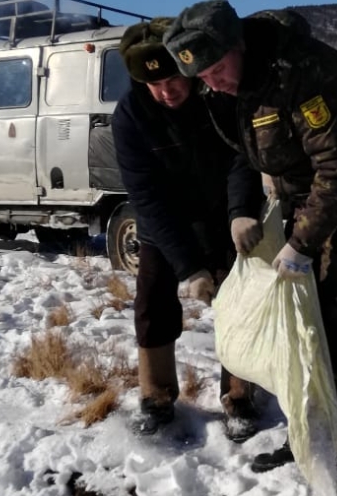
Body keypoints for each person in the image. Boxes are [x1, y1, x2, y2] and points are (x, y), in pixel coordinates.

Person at [163, 2, 337, 495]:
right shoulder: (234, 84)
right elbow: (252, 152)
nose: (215, 83)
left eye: (218, 69)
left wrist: (302, 242)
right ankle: (312, 437)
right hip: (307, 194)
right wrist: (254, 209)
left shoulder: (303, 71)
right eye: (204, 76)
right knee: (301, 323)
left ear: (239, 46)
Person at [112, 17, 265, 439]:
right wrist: (188, 268)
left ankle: (240, 396)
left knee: (239, 303)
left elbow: (242, 158)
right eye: (153, 85)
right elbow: (147, 198)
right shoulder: (129, 118)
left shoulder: (217, 97)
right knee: (152, 304)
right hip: (165, 223)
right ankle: (155, 397)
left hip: (222, 215)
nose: (166, 92)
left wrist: (239, 212)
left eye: (172, 79)